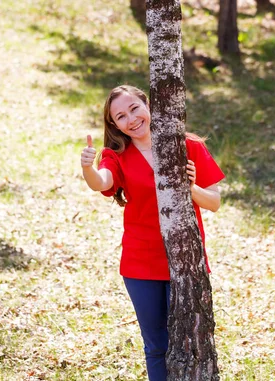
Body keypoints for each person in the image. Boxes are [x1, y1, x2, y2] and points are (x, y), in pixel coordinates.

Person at [80, 85, 225, 380]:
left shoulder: (188, 145)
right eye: (120, 116)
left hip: (184, 260)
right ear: (114, 125)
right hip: (140, 263)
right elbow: (102, 181)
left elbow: (215, 202)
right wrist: (87, 168)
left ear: (148, 105)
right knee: (156, 345)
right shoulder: (116, 154)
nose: (131, 119)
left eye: (134, 108)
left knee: (190, 342)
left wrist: (190, 188)